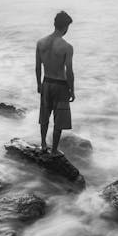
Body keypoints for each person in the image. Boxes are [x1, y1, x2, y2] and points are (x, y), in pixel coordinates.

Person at [36, 11, 75, 157]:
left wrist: (39, 84)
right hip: (60, 85)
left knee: (44, 116)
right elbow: (69, 72)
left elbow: (37, 67)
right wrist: (72, 90)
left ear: (54, 24)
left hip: (46, 82)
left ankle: (43, 144)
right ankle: (54, 150)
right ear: (65, 27)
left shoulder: (40, 43)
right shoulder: (67, 47)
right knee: (59, 120)